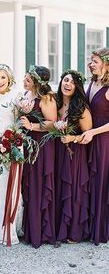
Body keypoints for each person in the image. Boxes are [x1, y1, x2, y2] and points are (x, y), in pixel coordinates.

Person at [20, 65, 57, 248]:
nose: (24, 81)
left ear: (36, 82)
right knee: (28, 184)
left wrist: (32, 127)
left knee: (38, 184)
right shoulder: (27, 96)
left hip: (42, 145)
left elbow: (52, 123)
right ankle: (29, 229)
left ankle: (41, 232)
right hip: (28, 144)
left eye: (27, 79)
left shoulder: (47, 98)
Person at [55, 70, 92, 243]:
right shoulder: (56, 104)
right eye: (65, 80)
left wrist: (72, 138)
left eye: (72, 82)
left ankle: (74, 231)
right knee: (60, 188)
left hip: (75, 154)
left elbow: (88, 135)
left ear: (77, 88)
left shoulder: (81, 108)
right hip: (58, 152)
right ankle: (59, 228)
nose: (67, 84)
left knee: (74, 191)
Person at [0, 63, 23, 245]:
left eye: (3, 77)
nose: (0, 81)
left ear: (9, 78)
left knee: (13, 186)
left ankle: (11, 229)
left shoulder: (17, 96)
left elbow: (19, 122)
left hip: (13, 142)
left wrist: (10, 137)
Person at [81, 47, 109, 245]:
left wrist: (93, 132)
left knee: (101, 181)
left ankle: (100, 228)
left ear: (106, 65)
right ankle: (88, 227)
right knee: (89, 180)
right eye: (91, 60)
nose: (91, 64)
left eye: (95, 61)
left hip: (103, 140)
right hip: (88, 137)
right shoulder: (92, 83)